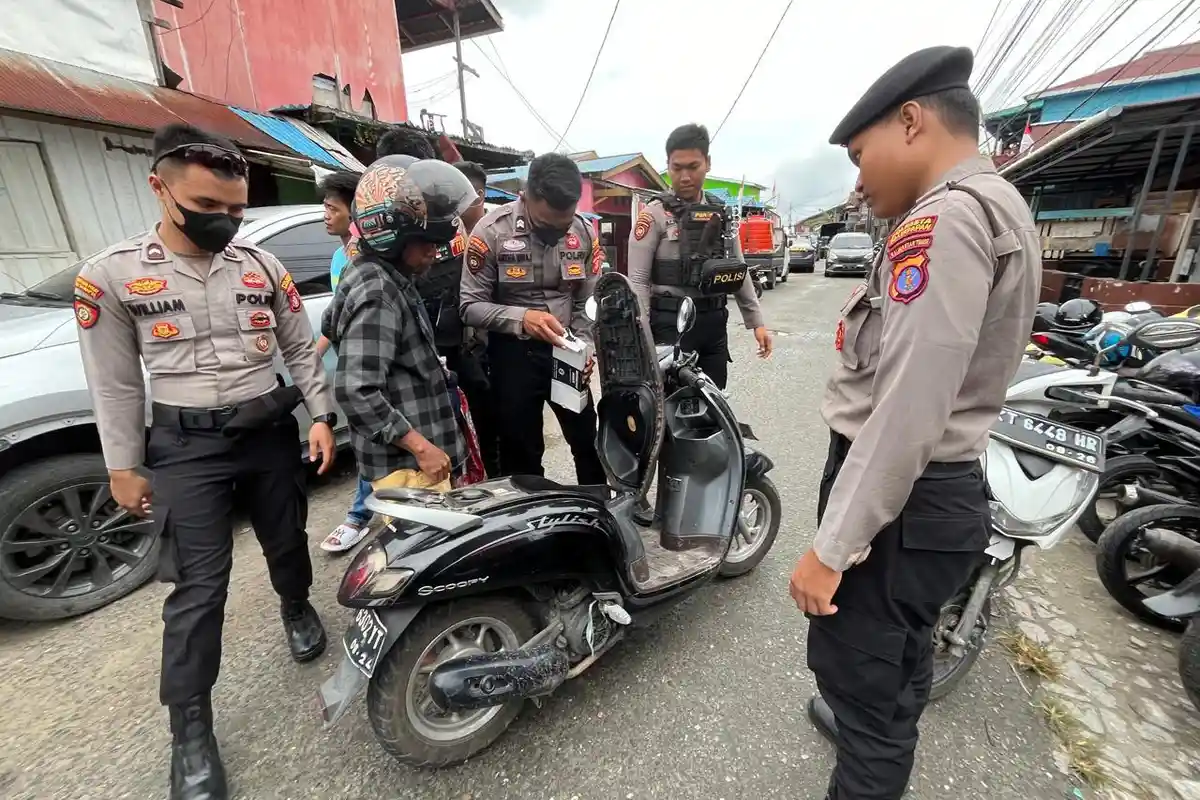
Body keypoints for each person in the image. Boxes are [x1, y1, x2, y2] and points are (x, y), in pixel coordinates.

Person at [787, 46, 1040, 800]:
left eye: (862, 155)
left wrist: (832, 546)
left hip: (903, 504)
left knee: (864, 683)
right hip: (933, 497)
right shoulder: (1001, 201)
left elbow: (907, 408)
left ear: (912, 120)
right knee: (896, 660)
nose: (858, 182)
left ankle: (870, 755)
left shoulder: (946, 221)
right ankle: (875, 731)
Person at [75, 123, 337, 800]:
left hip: (267, 433)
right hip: (185, 449)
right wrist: (123, 464)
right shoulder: (112, 275)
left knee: (286, 539)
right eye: (206, 208)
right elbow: (114, 382)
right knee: (197, 590)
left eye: (235, 210)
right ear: (160, 188)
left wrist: (322, 417)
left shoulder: (261, 266)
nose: (223, 221)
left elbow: (300, 347)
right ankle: (190, 731)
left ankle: (297, 605)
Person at [322, 157, 472, 494]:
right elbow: (355, 390)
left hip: (419, 463)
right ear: (390, 236)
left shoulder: (390, 278)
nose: (435, 252)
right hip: (409, 469)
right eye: (427, 243)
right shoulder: (379, 293)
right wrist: (421, 447)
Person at [460, 153, 606, 484]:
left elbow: (588, 299)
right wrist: (522, 318)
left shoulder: (583, 232)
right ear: (525, 196)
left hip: (567, 351)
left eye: (563, 225)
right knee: (522, 452)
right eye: (546, 226)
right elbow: (469, 306)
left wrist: (584, 346)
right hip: (513, 357)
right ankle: (535, 524)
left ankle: (598, 513)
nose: (556, 234)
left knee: (588, 442)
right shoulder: (491, 232)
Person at [628, 123, 772, 389]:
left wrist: (757, 323)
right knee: (671, 413)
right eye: (676, 168)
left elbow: (738, 270)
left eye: (693, 167)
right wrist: (643, 336)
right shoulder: (654, 214)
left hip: (713, 325)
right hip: (670, 326)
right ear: (668, 166)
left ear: (707, 163)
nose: (684, 176)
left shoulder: (720, 212)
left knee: (713, 405)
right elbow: (637, 280)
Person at [414, 160, 499, 478]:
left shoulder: (488, 231)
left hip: (473, 349)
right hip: (435, 352)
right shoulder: (427, 230)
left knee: (488, 424)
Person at [311, 170, 378, 553]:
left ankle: (359, 516)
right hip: (348, 361)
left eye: (331, 207)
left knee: (371, 435)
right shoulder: (339, 256)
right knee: (363, 436)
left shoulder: (365, 256)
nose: (325, 213)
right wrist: (320, 349)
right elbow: (338, 313)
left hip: (367, 363)